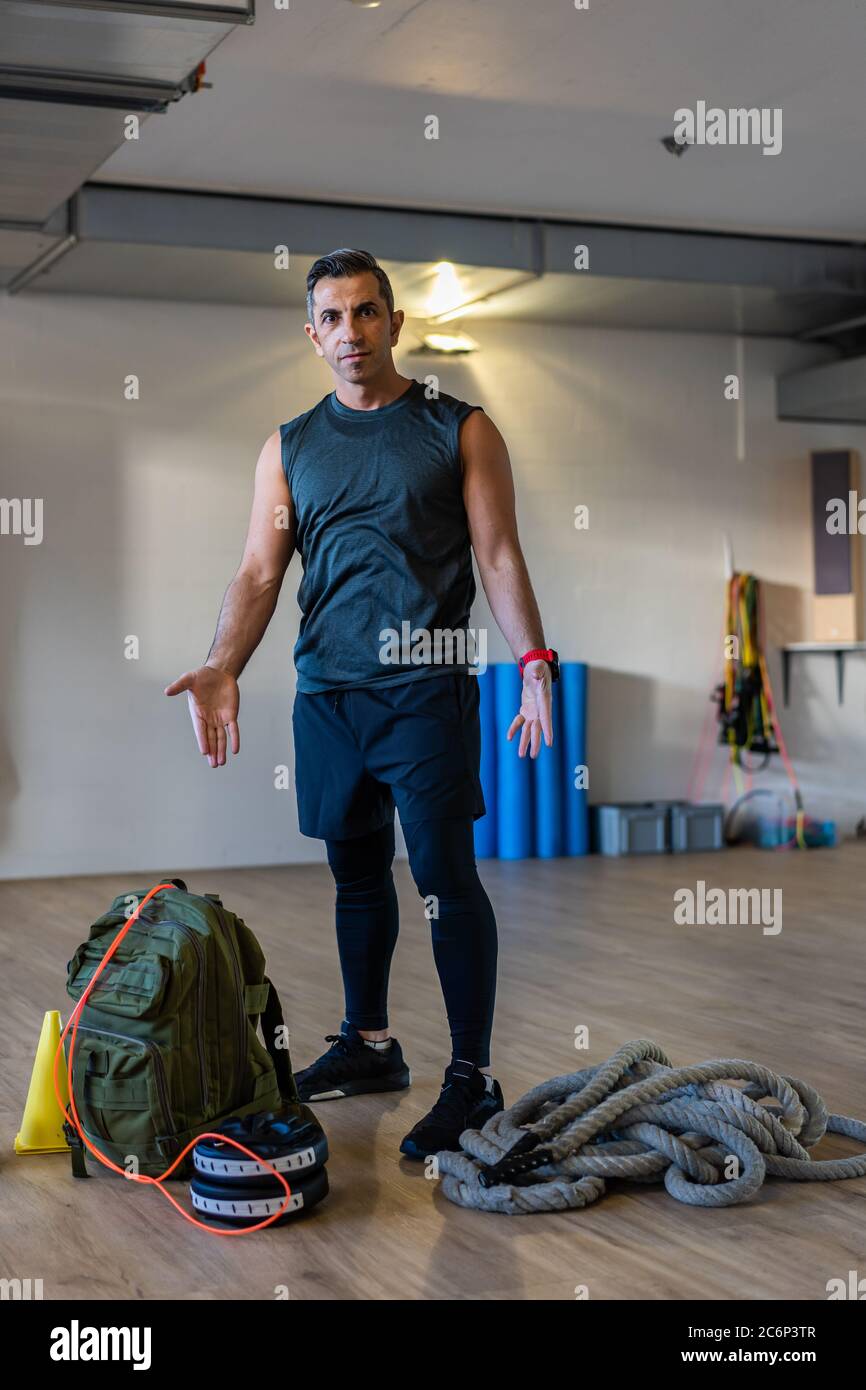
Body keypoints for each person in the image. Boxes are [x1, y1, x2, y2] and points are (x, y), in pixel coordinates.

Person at [165, 248, 558, 1159]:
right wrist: (224, 661)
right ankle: (369, 1046)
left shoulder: (459, 429)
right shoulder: (290, 445)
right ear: (313, 335)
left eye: (367, 312)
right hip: (329, 692)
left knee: (444, 878)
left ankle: (473, 1077)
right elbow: (263, 569)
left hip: (426, 685)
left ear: (395, 322)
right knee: (354, 874)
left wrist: (533, 660)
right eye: (333, 318)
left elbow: (498, 555)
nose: (352, 332)